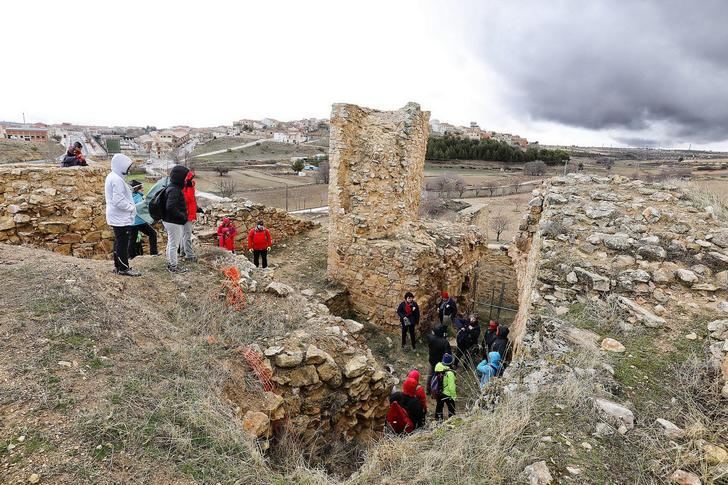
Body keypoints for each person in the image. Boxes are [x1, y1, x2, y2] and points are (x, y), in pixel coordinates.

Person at [104, 154, 140, 276]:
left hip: (117, 216)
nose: (129, 170)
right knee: (123, 243)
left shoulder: (113, 176)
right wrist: (131, 208)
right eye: (127, 167)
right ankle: (123, 268)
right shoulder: (117, 180)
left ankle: (118, 266)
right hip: (120, 217)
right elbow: (118, 201)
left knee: (119, 242)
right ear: (121, 166)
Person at [162, 165, 191, 273]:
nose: (185, 179)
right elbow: (170, 207)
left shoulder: (171, 187)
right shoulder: (175, 190)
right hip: (173, 221)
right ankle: (173, 266)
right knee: (174, 244)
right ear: (179, 177)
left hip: (168, 220)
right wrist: (182, 216)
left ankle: (170, 263)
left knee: (171, 243)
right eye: (184, 177)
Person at [128, 180, 158, 258]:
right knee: (153, 234)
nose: (143, 189)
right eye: (142, 188)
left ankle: (131, 256)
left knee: (132, 239)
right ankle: (154, 253)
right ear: (138, 189)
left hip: (132, 222)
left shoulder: (131, 196)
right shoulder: (138, 197)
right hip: (139, 221)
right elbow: (140, 208)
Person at [181, 170, 203, 263]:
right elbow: (188, 199)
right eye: (190, 178)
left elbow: (192, 200)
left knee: (184, 234)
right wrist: (189, 187)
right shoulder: (184, 187)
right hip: (186, 215)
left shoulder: (188, 186)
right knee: (187, 235)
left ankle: (182, 251)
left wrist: (197, 208)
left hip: (188, 213)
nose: (192, 180)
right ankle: (189, 255)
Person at [426, 325, 451, 394]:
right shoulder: (445, 342)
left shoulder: (431, 338)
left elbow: (430, 335)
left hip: (432, 360)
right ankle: (435, 390)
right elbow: (447, 354)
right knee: (438, 377)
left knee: (430, 375)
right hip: (440, 363)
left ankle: (427, 390)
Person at [433, 353, 456, 421]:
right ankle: (451, 420)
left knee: (439, 406)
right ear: (450, 363)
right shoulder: (450, 373)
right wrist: (453, 396)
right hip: (447, 394)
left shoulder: (437, 367)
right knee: (451, 408)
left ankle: (438, 419)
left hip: (438, 391)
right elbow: (451, 387)